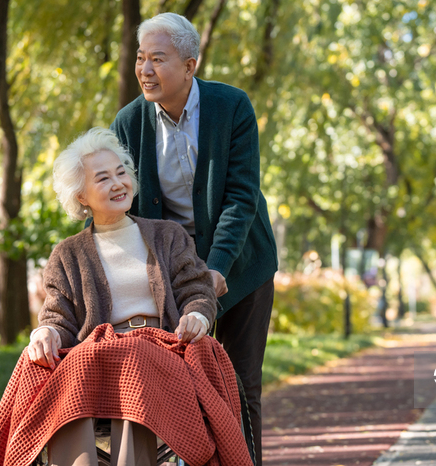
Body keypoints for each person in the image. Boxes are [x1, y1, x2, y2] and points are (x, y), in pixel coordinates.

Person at [0, 127, 253, 466]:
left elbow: (196, 290)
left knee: (133, 359)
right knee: (56, 372)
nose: (118, 183)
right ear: (81, 196)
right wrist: (44, 332)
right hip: (96, 356)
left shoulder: (169, 236)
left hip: (160, 349)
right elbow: (58, 317)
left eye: (122, 172)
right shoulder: (67, 254)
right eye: (103, 178)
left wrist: (198, 315)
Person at [110, 12, 278, 465]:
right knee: (178, 382)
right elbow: (120, 203)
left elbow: (241, 197)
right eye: (141, 59)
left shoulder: (232, 107)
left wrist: (218, 267)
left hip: (241, 263)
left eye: (157, 59)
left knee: (241, 381)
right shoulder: (129, 122)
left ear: (190, 65)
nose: (145, 70)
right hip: (173, 271)